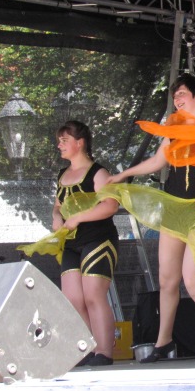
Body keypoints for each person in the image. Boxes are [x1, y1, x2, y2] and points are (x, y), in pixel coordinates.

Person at [106, 73, 195, 362]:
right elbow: (157, 161)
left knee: (193, 280)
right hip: (174, 211)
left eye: (182, 93)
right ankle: (163, 342)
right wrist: (124, 174)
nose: (177, 99)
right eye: (174, 95)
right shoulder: (174, 130)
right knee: (167, 279)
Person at [53, 120, 120, 367]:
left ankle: (104, 351)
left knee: (93, 295)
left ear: (80, 143)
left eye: (64, 140)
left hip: (98, 238)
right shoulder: (62, 175)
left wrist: (79, 217)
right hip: (71, 243)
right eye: (59, 141)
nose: (59, 145)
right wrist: (56, 217)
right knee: (72, 297)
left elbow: (110, 206)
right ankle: (88, 349)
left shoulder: (98, 173)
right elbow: (58, 205)